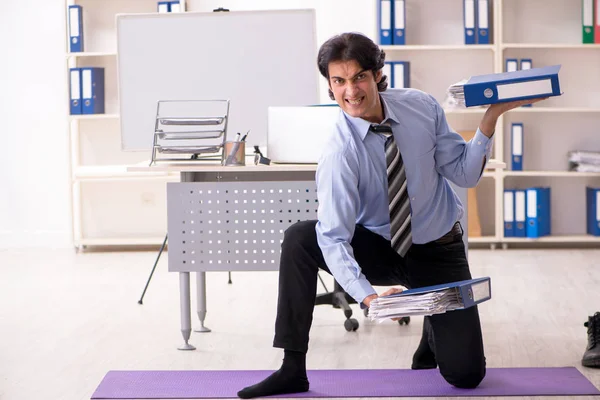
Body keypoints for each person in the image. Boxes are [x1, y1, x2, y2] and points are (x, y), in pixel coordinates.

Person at [237, 32, 545, 399]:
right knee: (301, 238)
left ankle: (432, 331)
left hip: (438, 248)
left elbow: (463, 173)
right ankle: (292, 368)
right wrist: (369, 298)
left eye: (359, 77)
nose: (351, 91)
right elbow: (333, 237)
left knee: (466, 376)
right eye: (339, 81)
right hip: (382, 247)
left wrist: (490, 119)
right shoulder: (339, 154)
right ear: (330, 87)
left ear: (377, 74)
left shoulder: (422, 107)